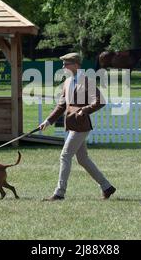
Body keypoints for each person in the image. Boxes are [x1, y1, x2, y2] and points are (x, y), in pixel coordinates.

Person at [39, 52, 116, 201]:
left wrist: (84, 110)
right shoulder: (67, 82)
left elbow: (100, 101)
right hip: (72, 125)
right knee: (83, 159)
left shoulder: (87, 81)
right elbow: (61, 105)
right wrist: (48, 121)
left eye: (66, 64)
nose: (63, 67)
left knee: (65, 155)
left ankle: (59, 193)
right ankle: (107, 187)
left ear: (76, 65)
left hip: (81, 126)